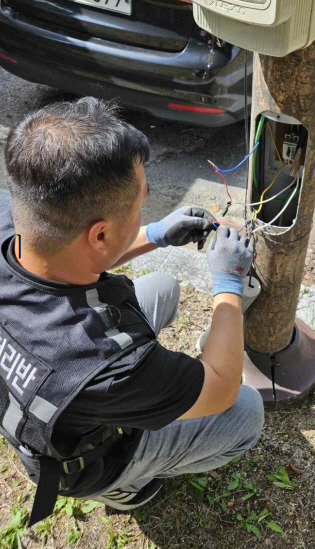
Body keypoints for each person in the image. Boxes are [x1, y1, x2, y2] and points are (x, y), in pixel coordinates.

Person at [0, 97, 264, 526]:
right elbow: (221, 390)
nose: (145, 210)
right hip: (86, 460)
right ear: (100, 233)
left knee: (161, 288)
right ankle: (122, 487)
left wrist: (155, 235)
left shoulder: (22, 225)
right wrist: (228, 284)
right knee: (246, 413)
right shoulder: (102, 364)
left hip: (46, 394)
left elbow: (73, 256)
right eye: (141, 204)